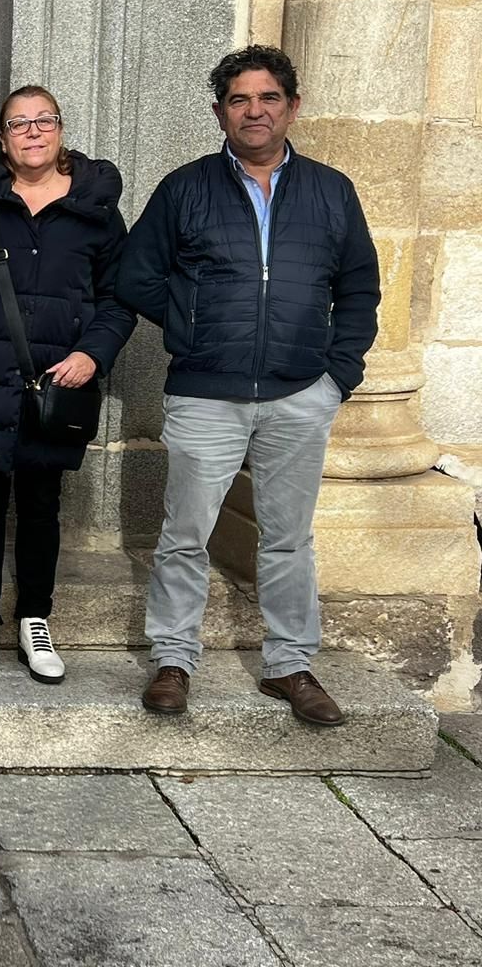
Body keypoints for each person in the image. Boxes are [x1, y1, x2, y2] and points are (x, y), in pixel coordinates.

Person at [117, 44, 379, 725]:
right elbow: (133, 272)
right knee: (184, 534)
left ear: (292, 106)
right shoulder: (187, 188)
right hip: (206, 392)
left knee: (289, 538)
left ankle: (290, 665)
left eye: (268, 98)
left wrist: (337, 375)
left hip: (300, 393)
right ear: (219, 112)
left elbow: (358, 289)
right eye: (239, 100)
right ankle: (173, 660)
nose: (254, 111)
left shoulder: (331, 191)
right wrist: (191, 320)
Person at [0, 86, 135, 685]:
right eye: (19, 123)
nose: (33, 132)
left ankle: (36, 618)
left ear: (60, 129)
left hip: (55, 385)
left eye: (45, 121)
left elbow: (119, 298)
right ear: (3, 137)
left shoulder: (95, 211)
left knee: (41, 505)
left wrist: (94, 353)